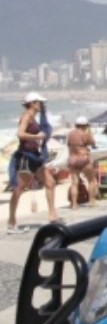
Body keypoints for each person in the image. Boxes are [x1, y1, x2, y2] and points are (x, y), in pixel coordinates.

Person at [7, 92, 59, 233]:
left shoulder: (34, 118)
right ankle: (11, 222)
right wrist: (36, 136)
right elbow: (20, 133)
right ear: (32, 103)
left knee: (50, 183)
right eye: (39, 102)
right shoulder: (27, 117)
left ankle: (52, 215)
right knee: (18, 189)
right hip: (26, 156)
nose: (41, 105)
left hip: (35, 157)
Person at [66, 116, 97, 209]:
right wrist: (90, 131)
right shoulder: (85, 133)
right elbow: (93, 143)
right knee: (91, 180)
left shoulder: (70, 134)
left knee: (74, 183)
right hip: (83, 157)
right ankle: (91, 201)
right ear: (85, 125)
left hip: (73, 159)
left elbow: (69, 145)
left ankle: (74, 204)